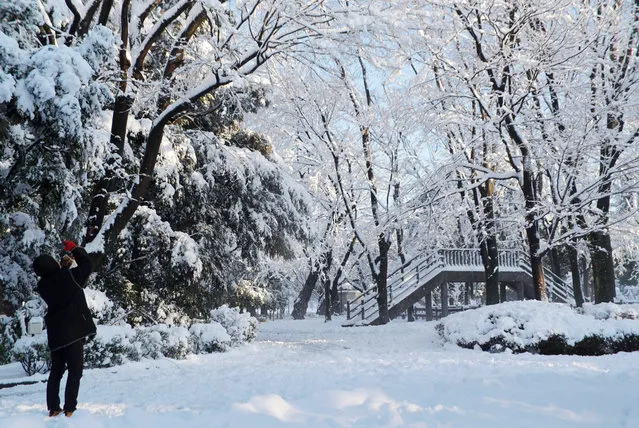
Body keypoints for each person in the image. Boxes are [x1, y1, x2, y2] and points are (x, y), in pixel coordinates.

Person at [32, 240, 96, 417]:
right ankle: (69, 408)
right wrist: (75, 250)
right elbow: (88, 265)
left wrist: (64, 268)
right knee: (75, 372)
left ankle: (53, 408)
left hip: (56, 335)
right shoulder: (68, 277)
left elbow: (58, 280)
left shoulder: (42, 286)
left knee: (56, 372)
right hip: (73, 333)